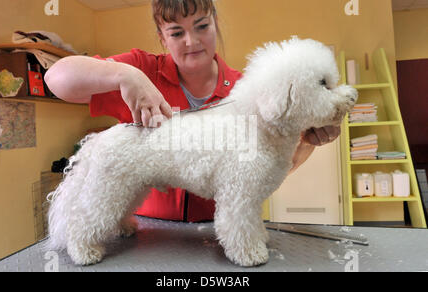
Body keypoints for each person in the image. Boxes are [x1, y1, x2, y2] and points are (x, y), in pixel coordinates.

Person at [45, 0, 341, 224]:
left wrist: (305, 140)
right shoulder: (142, 71)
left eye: (202, 26)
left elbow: (280, 165)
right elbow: (55, 79)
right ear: (162, 37)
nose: (192, 41)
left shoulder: (248, 91)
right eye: (176, 32)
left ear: (215, 23)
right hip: (151, 231)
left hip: (219, 230)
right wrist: (123, 75)